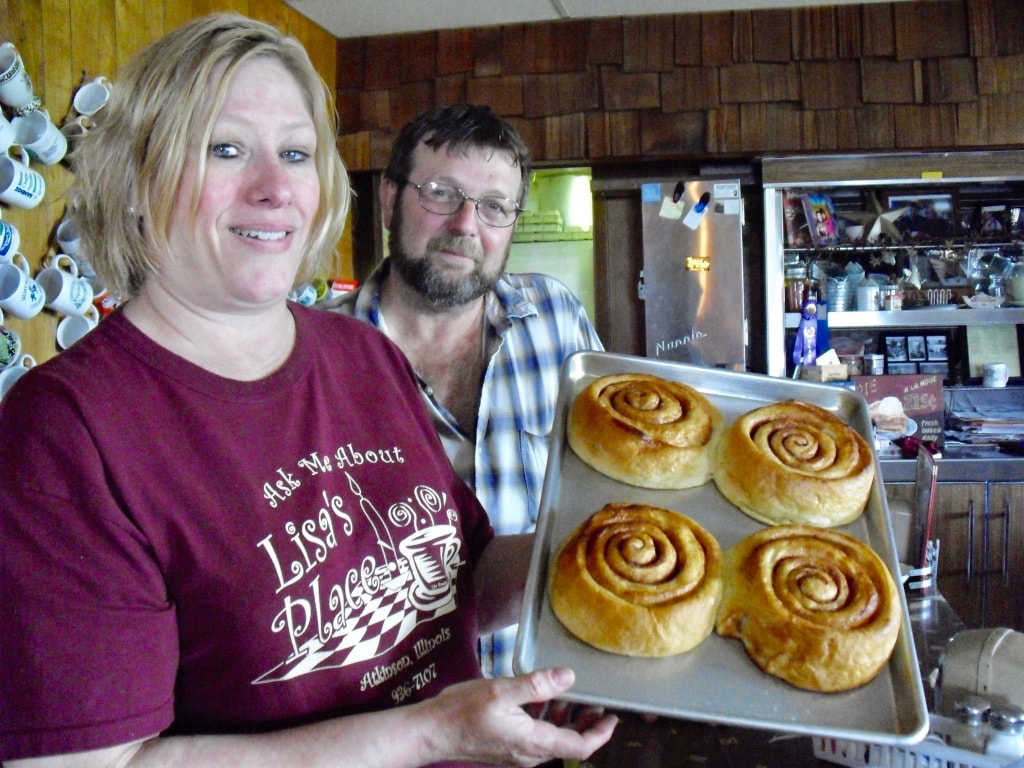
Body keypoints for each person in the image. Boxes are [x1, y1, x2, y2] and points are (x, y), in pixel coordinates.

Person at [0, 14, 616, 768]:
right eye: (225, 149)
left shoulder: (362, 353)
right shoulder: (66, 430)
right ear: (136, 179)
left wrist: (600, 558)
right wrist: (432, 735)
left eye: (295, 153)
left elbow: (461, 580)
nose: (274, 189)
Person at [318, 104, 603, 677]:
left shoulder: (557, 320)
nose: (466, 225)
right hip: (393, 725)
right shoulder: (318, 359)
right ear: (391, 200)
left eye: (494, 207)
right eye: (441, 192)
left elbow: (603, 484)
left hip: (549, 699)